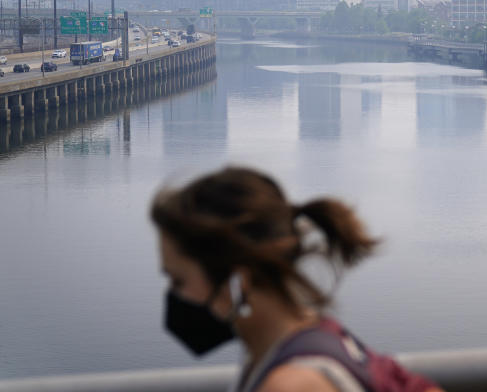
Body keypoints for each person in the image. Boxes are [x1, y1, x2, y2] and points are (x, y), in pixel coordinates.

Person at [151, 166, 442, 392]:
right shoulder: (317, 337)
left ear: (238, 279)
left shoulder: (292, 385)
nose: (174, 296)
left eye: (178, 280)